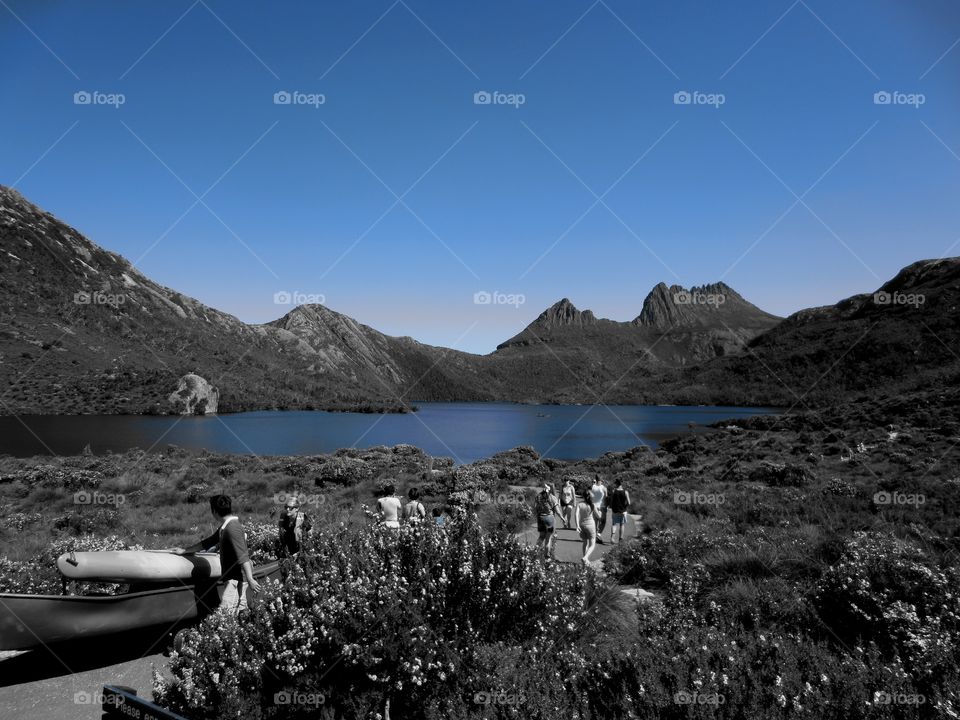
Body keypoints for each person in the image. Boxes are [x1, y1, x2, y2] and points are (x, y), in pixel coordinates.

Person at [174, 495, 260, 615]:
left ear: (214, 511)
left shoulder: (232, 528)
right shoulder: (226, 527)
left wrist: (250, 579)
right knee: (238, 612)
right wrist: (185, 550)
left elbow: (243, 557)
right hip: (233, 578)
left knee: (224, 615)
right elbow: (209, 542)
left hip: (235, 579)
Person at [534, 483, 562, 559]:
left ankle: (534, 552)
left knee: (541, 537)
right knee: (548, 538)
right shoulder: (552, 497)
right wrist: (562, 518)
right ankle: (547, 557)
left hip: (540, 518)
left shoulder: (538, 496)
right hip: (549, 518)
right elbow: (557, 511)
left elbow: (535, 508)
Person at [575, 486, 601, 564]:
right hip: (590, 525)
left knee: (585, 542)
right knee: (592, 544)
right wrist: (601, 513)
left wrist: (577, 526)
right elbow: (598, 516)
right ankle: (585, 557)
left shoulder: (579, 504)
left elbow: (576, 515)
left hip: (582, 525)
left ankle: (585, 560)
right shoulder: (592, 505)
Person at [607, 478, 631, 543]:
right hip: (623, 511)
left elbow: (611, 501)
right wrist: (624, 507)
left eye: (615, 483)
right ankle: (620, 539)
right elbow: (629, 502)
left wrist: (611, 506)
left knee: (614, 524)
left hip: (615, 510)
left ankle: (612, 537)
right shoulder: (625, 492)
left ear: (617, 484)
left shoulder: (613, 491)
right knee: (622, 524)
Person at [591, 475, 608, 543]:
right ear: (601, 480)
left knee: (595, 522)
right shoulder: (604, 488)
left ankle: (594, 536)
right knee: (603, 521)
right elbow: (606, 498)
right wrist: (606, 506)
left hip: (593, 506)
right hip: (601, 506)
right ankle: (598, 534)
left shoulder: (592, 487)